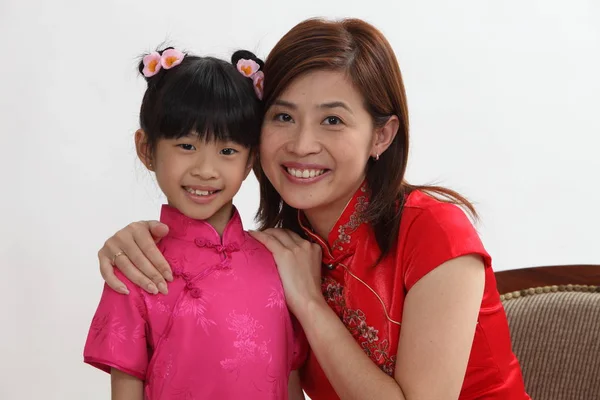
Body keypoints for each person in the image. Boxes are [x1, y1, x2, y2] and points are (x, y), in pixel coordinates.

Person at [97, 19, 530, 399]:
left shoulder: (434, 230)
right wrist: (144, 244)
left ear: (382, 136)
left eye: (332, 120)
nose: (302, 145)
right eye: (283, 117)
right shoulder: (282, 250)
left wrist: (308, 301)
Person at [84, 46, 306, 400]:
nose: (205, 169)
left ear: (250, 160)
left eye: (228, 151)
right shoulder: (136, 268)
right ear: (147, 150)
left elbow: (289, 380)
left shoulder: (278, 261)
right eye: (186, 145)